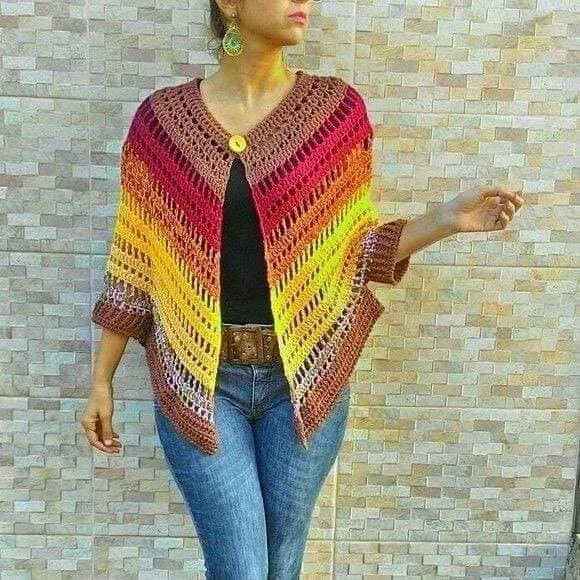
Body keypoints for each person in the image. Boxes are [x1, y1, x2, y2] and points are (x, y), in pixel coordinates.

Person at [80, 1, 525, 578]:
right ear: (229, 2)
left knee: (282, 565)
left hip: (306, 377)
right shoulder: (162, 122)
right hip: (200, 377)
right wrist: (101, 380)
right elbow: (135, 263)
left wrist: (444, 220)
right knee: (241, 569)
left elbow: (355, 250)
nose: (304, 1)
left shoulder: (334, 113)